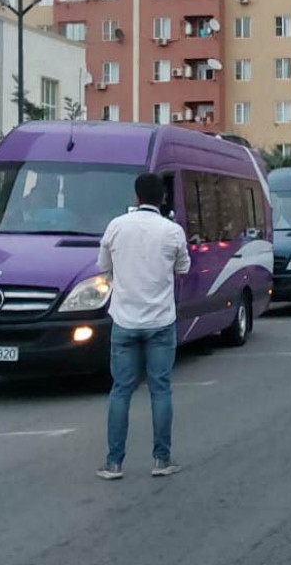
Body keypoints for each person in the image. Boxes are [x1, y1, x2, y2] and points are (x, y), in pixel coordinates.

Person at [95, 172, 190, 480]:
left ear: (136, 197)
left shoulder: (116, 227)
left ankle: (114, 463)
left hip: (124, 319)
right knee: (160, 390)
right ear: (162, 198)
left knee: (120, 391)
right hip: (160, 320)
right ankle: (161, 460)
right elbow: (183, 268)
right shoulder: (172, 231)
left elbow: (103, 267)